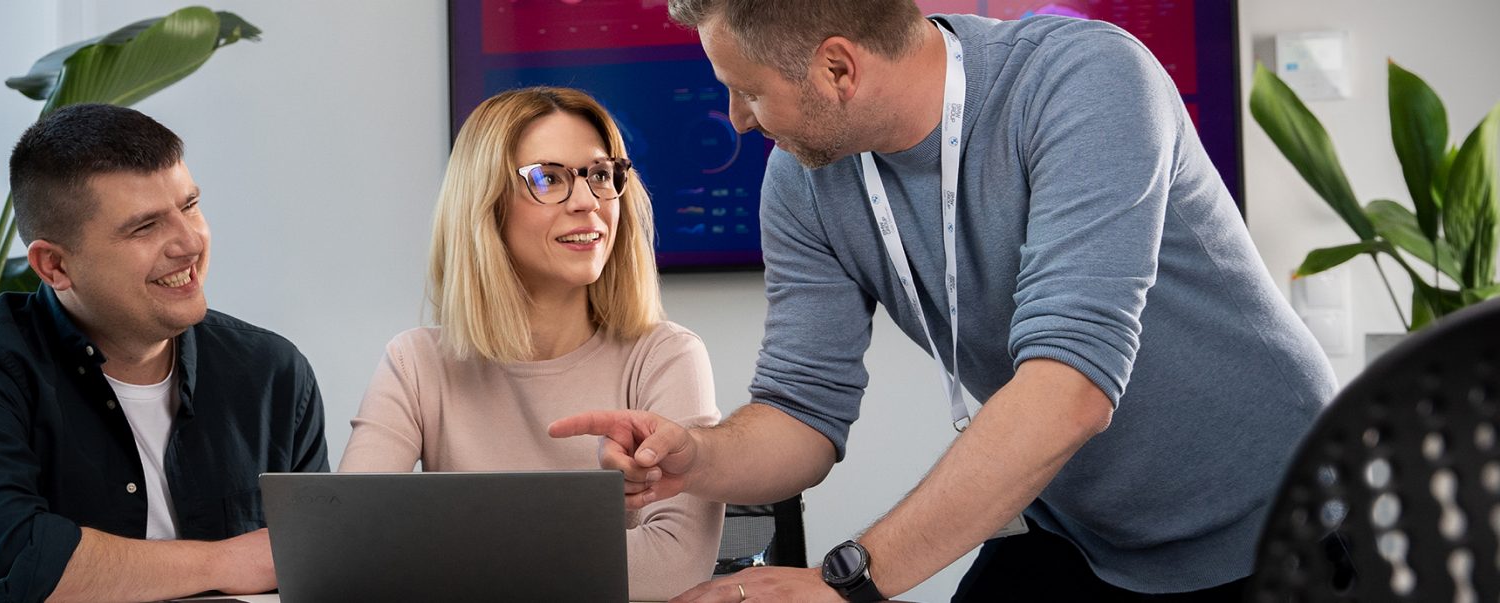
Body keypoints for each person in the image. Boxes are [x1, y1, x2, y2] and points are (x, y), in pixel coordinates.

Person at [549, 2, 1338, 601]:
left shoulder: (1086, 80)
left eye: (747, 90)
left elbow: (1069, 391)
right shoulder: (802, 180)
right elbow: (802, 411)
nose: (737, 119)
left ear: (837, 69)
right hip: (1088, 533)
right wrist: (698, 457)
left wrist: (847, 579)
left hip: (1293, 516)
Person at [0, 104, 330, 602]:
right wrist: (231, 559)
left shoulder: (272, 372)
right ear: (54, 266)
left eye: (190, 205)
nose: (190, 242)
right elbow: (15, 566)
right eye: (144, 227)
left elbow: (311, 564)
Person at [339, 86, 726, 600]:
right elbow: (348, 549)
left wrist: (444, 561)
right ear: (486, 205)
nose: (588, 202)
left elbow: (672, 569)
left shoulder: (665, 357)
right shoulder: (415, 363)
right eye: (549, 178)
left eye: (599, 175)